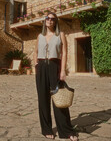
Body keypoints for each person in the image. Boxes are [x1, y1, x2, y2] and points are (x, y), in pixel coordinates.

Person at [34, 12, 78, 141]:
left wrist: (62, 70)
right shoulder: (39, 36)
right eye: (47, 18)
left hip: (55, 66)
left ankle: (66, 130)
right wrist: (36, 65)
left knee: (59, 99)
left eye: (53, 19)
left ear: (56, 21)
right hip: (41, 67)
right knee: (43, 99)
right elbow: (36, 51)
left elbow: (64, 53)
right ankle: (46, 129)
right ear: (45, 21)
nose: (50, 20)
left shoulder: (60, 35)